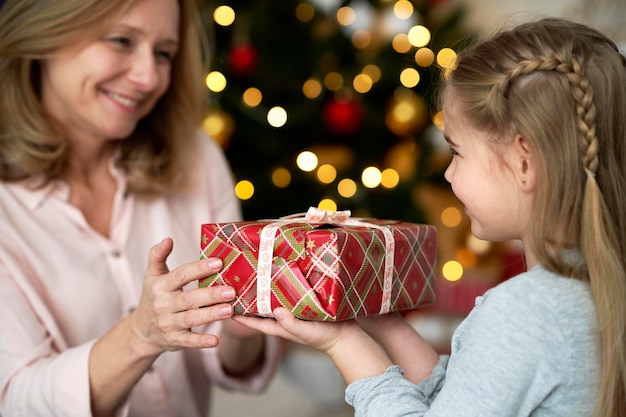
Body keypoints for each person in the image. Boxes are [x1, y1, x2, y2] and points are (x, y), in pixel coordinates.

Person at [234, 17, 626, 417]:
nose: (448, 172)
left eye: (457, 152)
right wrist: (388, 326)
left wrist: (344, 344)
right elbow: (468, 400)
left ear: (524, 162)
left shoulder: (523, 314)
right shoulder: (596, 288)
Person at [0, 0, 282, 416]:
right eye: (121, 41)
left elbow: (237, 366)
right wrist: (141, 335)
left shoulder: (197, 156)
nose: (149, 77)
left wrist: (242, 332)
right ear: (44, 33)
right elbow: (14, 401)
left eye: (164, 53)